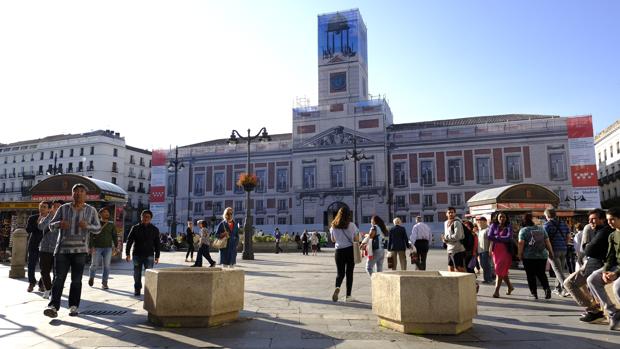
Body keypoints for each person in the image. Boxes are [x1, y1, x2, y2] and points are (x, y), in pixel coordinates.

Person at [43, 184, 102, 318]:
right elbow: (51, 226)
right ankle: (53, 307)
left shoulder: (91, 210)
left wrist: (87, 226)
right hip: (62, 250)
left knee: (76, 280)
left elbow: (98, 228)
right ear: (72, 194)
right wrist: (59, 224)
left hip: (80, 251)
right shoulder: (63, 208)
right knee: (58, 279)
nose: (78, 194)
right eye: (75, 191)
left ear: (85, 195)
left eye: (81, 191)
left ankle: (73, 306)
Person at [572, 209, 614, 323]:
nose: (591, 221)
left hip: (598, 264)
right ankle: (593, 309)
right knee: (570, 283)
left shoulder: (605, 231)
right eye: (589, 219)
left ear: (602, 219)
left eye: (593, 219)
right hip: (589, 263)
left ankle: (601, 311)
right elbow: (587, 248)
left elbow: (588, 249)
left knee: (592, 280)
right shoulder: (593, 228)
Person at [586, 207, 620, 331]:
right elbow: (610, 257)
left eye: (612, 220)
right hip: (614, 267)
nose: (609, 222)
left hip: (618, 269)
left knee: (617, 286)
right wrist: (605, 271)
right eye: (608, 220)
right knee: (592, 279)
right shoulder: (612, 235)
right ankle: (613, 312)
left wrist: (615, 273)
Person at [517, 213, 553, 300]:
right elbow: (547, 242)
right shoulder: (541, 229)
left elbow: (521, 243)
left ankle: (534, 293)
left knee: (530, 275)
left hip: (529, 256)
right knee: (541, 274)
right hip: (542, 255)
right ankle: (547, 289)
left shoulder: (523, 230)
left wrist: (519, 254)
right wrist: (551, 252)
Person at [125, 210, 160, 296]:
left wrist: (157, 256)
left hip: (149, 255)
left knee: (150, 274)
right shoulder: (135, 228)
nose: (145, 218)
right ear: (141, 217)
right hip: (137, 254)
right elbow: (129, 241)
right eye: (144, 216)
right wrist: (127, 253)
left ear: (151, 218)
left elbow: (157, 243)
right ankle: (137, 288)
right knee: (137, 273)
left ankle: (149, 290)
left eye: (148, 217)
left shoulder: (154, 229)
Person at [330, 206, 359, 302]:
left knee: (340, 273)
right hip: (350, 251)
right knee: (349, 273)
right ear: (348, 214)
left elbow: (333, 240)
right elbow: (356, 240)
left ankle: (337, 287)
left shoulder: (333, 225)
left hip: (338, 251)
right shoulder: (352, 225)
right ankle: (348, 296)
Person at [37, 200, 63, 299]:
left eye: (58, 207)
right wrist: (50, 216)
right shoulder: (48, 217)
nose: (56, 208)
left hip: (59, 249)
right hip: (44, 248)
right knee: (44, 271)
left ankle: (55, 291)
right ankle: (48, 289)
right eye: (54, 206)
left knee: (58, 273)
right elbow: (41, 227)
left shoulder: (65, 218)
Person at [88, 207, 118, 289]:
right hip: (96, 247)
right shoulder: (96, 224)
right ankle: (92, 277)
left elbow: (114, 236)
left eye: (108, 212)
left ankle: (104, 283)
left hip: (108, 248)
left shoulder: (111, 224)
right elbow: (91, 235)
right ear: (100, 214)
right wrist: (91, 246)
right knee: (94, 265)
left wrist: (116, 246)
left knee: (107, 266)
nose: (107, 213)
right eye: (104, 212)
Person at [544, 208, 571, 297]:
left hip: (553, 250)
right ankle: (557, 288)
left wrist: (547, 250)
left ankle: (567, 288)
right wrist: (564, 244)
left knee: (558, 271)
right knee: (560, 270)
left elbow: (545, 239)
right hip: (563, 249)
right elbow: (568, 236)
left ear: (547, 216)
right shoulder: (563, 224)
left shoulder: (547, 225)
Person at [488, 212, 514, 298]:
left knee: (499, 270)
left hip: (506, 251)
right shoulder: (493, 225)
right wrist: (500, 238)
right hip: (496, 251)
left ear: (506, 218)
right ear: (497, 218)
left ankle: (496, 291)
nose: (502, 218)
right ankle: (510, 287)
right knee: (502, 271)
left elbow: (509, 237)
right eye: (500, 217)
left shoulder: (509, 226)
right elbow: (489, 236)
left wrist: (497, 237)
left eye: (503, 217)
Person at [26, 201, 49, 292]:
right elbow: (28, 230)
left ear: (48, 209)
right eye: (41, 206)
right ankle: (31, 282)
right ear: (39, 208)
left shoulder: (50, 219)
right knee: (31, 265)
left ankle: (41, 283)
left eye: (44, 207)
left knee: (44, 267)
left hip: (45, 245)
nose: (42, 208)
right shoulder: (32, 218)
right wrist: (37, 223)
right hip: (33, 244)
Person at [442, 207, 466, 272]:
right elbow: (447, 235)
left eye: (452, 212)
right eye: (449, 212)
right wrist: (444, 240)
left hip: (457, 250)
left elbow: (458, 236)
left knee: (458, 268)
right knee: (450, 267)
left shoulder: (457, 223)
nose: (450, 214)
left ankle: (464, 281)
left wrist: (446, 237)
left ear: (455, 213)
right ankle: (452, 282)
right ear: (446, 214)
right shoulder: (445, 223)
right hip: (450, 249)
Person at [476, 216, 495, 284]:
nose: (478, 222)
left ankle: (489, 279)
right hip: (480, 250)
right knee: (483, 265)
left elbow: (491, 240)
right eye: (478, 221)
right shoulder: (480, 230)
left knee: (487, 265)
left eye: (480, 221)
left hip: (486, 250)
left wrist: (490, 249)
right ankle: (486, 278)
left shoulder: (488, 229)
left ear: (484, 221)